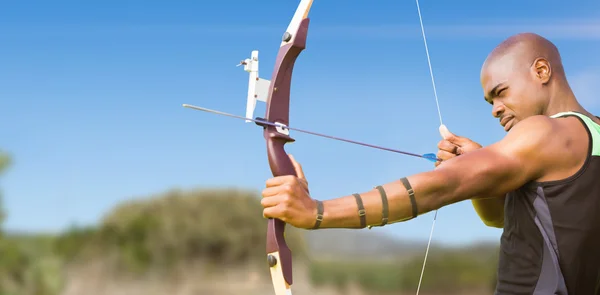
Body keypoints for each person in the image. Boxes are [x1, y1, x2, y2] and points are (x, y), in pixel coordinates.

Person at [260, 32, 600, 294]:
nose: (495, 108)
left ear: (541, 71)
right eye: (489, 101)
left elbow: (443, 185)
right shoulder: (591, 133)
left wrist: (316, 212)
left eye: (501, 92)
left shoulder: (545, 131)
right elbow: (502, 219)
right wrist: (481, 174)